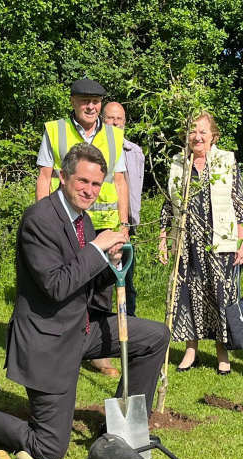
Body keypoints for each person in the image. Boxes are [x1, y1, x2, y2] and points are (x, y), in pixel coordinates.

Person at [0, 144, 169, 459]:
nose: (89, 190)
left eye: (96, 184)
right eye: (83, 181)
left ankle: (120, 431)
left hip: (80, 329)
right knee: (49, 447)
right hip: (48, 342)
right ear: (63, 176)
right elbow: (57, 286)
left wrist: (108, 263)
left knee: (155, 336)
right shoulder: (39, 220)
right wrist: (97, 251)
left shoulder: (82, 220)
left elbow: (83, 282)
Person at [36, 78, 130, 378]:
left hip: (103, 224)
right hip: (65, 220)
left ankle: (99, 353)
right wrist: (43, 217)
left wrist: (124, 226)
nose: (91, 106)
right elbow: (45, 175)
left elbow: (119, 181)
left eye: (96, 101)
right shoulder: (55, 130)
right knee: (67, 283)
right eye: (84, 101)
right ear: (73, 102)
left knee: (101, 290)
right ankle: (62, 343)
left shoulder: (115, 136)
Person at [158, 112, 243, 375]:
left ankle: (223, 352)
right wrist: (164, 237)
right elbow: (168, 202)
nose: (197, 137)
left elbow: (238, 201)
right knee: (187, 295)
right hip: (186, 242)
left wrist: (241, 241)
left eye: (203, 132)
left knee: (220, 293)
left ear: (213, 136)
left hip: (219, 240)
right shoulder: (178, 162)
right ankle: (190, 350)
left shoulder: (226, 160)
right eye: (192, 131)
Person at [103, 101, 145, 317]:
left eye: (119, 118)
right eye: (110, 118)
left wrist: (130, 221)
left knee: (127, 277)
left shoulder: (135, 152)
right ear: (102, 120)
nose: (115, 122)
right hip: (102, 221)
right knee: (102, 279)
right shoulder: (96, 147)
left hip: (127, 224)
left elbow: (135, 189)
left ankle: (129, 322)